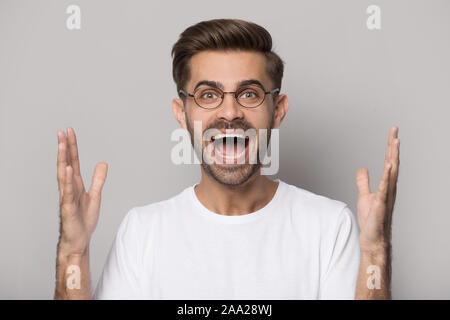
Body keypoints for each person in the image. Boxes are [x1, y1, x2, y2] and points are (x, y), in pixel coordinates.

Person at [54, 19, 400, 300]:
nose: (230, 112)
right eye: (208, 95)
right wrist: (72, 252)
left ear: (277, 110)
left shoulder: (329, 226)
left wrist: (376, 252)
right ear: (182, 112)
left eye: (249, 94)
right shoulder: (142, 232)